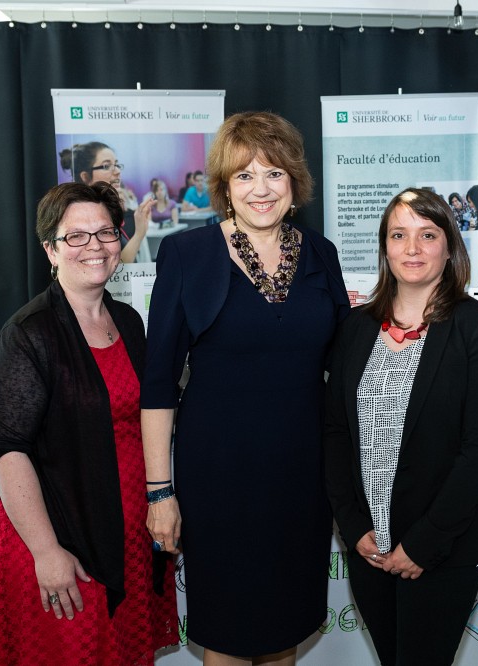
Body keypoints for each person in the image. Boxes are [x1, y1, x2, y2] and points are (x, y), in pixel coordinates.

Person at [142, 111, 350, 666]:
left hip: (301, 478)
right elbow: (158, 384)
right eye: (245, 175)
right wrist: (160, 493)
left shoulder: (321, 254)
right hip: (218, 479)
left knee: (285, 628)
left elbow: (345, 364)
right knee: (229, 634)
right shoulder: (187, 255)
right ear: (225, 186)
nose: (261, 188)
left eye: (274, 173)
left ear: (294, 182)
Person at [0, 182, 178, 665]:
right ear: (51, 249)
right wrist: (46, 552)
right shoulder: (28, 334)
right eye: (76, 236)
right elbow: (6, 450)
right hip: (58, 536)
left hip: (127, 529)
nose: (95, 246)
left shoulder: (128, 321)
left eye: (106, 232)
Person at [324, 187, 478, 666]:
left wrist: (423, 544)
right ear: (384, 248)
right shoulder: (355, 328)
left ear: (449, 247)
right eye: (398, 235)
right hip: (369, 547)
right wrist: (354, 527)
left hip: (441, 549)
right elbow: (336, 433)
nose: (412, 248)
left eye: (427, 235)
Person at [59, 141, 152, 262]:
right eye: (106, 166)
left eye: (116, 164)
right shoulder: (82, 216)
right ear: (85, 177)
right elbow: (116, 265)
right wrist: (139, 233)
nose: (117, 171)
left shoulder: (107, 209)